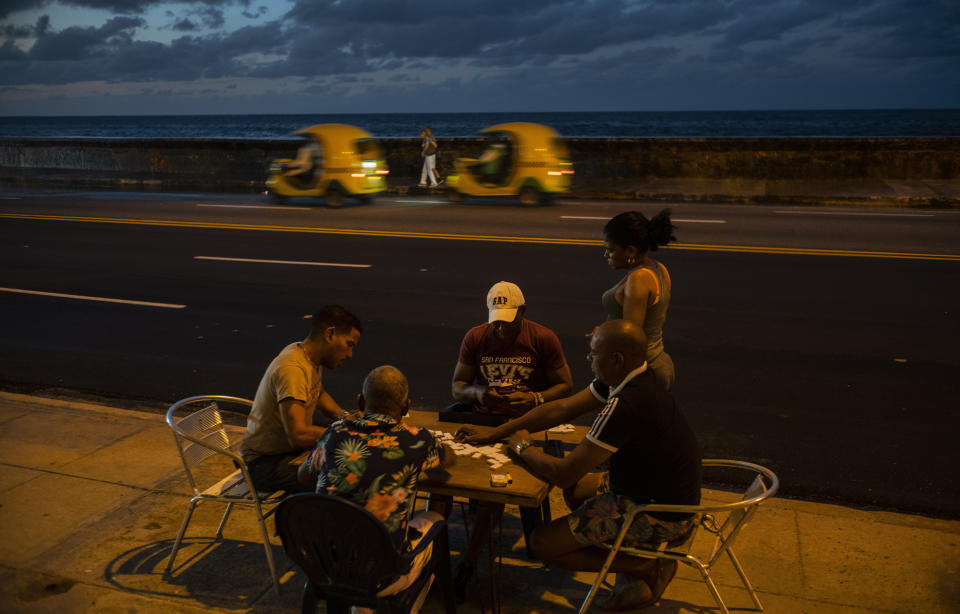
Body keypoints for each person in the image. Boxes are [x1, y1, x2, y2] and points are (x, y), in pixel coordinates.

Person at [505, 320, 701, 610]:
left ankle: (645, 567)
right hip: (662, 492)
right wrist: (500, 431)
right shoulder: (636, 378)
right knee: (576, 492)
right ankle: (623, 554)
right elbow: (562, 408)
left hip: (660, 514)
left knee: (542, 543)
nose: (588, 359)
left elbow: (563, 473)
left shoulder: (626, 404)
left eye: (593, 353)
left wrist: (523, 447)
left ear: (616, 359)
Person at [441, 280, 573, 599]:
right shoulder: (476, 337)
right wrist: (477, 392)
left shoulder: (542, 338)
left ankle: (469, 562)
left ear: (523, 313)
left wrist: (536, 399)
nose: (501, 328)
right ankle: (432, 554)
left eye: (508, 320)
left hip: (525, 424)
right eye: (496, 320)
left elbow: (566, 385)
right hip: (484, 421)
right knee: (442, 476)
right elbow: (457, 386)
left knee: (494, 490)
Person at [299, 365, 456, 613]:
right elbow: (448, 458)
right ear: (406, 408)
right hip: (383, 576)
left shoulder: (335, 432)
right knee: (435, 518)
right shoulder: (417, 440)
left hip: (325, 568)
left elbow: (303, 475)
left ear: (361, 402)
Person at [239, 304, 362, 493]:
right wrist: (344, 433)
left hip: (284, 453)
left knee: (351, 460)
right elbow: (298, 435)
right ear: (330, 334)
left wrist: (345, 418)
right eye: (349, 344)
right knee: (346, 475)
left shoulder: (307, 357)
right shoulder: (293, 369)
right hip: (263, 465)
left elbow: (318, 393)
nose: (350, 355)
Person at [601, 210, 678, 390]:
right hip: (659, 361)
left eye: (610, 250)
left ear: (630, 250)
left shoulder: (639, 279)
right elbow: (659, 319)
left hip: (640, 372)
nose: (606, 255)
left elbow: (631, 340)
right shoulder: (660, 269)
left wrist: (603, 335)